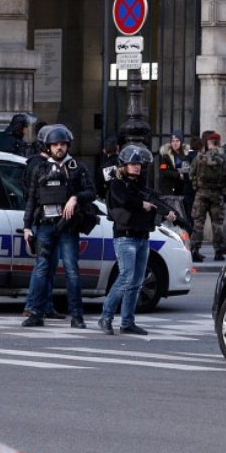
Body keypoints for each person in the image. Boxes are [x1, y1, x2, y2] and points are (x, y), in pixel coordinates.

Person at [21, 125, 97, 329]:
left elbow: (92, 192)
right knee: (41, 270)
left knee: (72, 270)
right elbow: (31, 200)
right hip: (45, 225)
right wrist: (27, 226)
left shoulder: (77, 168)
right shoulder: (40, 168)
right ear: (49, 146)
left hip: (68, 227)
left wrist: (75, 198)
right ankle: (36, 313)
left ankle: (77, 316)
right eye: (55, 144)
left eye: (62, 144)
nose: (59, 148)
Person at [97, 144, 176, 336]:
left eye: (138, 164)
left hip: (142, 237)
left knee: (137, 281)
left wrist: (167, 212)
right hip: (125, 238)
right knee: (125, 278)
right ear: (124, 165)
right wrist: (143, 204)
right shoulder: (117, 184)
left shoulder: (140, 185)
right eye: (132, 164)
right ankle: (106, 317)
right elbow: (123, 200)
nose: (136, 167)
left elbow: (153, 202)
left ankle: (127, 321)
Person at [21, 124, 68, 320]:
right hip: (41, 219)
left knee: (48, 266)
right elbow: (32, 195)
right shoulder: (38, 164)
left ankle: (45, 305)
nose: (59, 147)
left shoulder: (50, 162)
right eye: (54, 143)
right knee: (43, 265)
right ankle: (34, 305)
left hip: (49, 219)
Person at [189, 132, 226, 262]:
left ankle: (194, 250)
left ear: (209, 143)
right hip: (217, 194)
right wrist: (222, 190)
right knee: (217, 224)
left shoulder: (199, 158)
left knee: (198, 223)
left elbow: (191, 174)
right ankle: (219, 252)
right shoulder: (225, 159)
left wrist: (197, 187)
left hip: (201, 193)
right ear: (219, 143)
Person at [158, 130, 193, 224]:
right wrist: (178, 175)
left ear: (181, 142)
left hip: (183, 188)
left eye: (177, 141)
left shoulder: (186, 155)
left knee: (184, 214)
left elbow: (188, 169)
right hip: (169, 189)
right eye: (173, 141)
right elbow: (163, 171)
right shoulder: (166, 156)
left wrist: (184, 175)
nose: (175, 143)